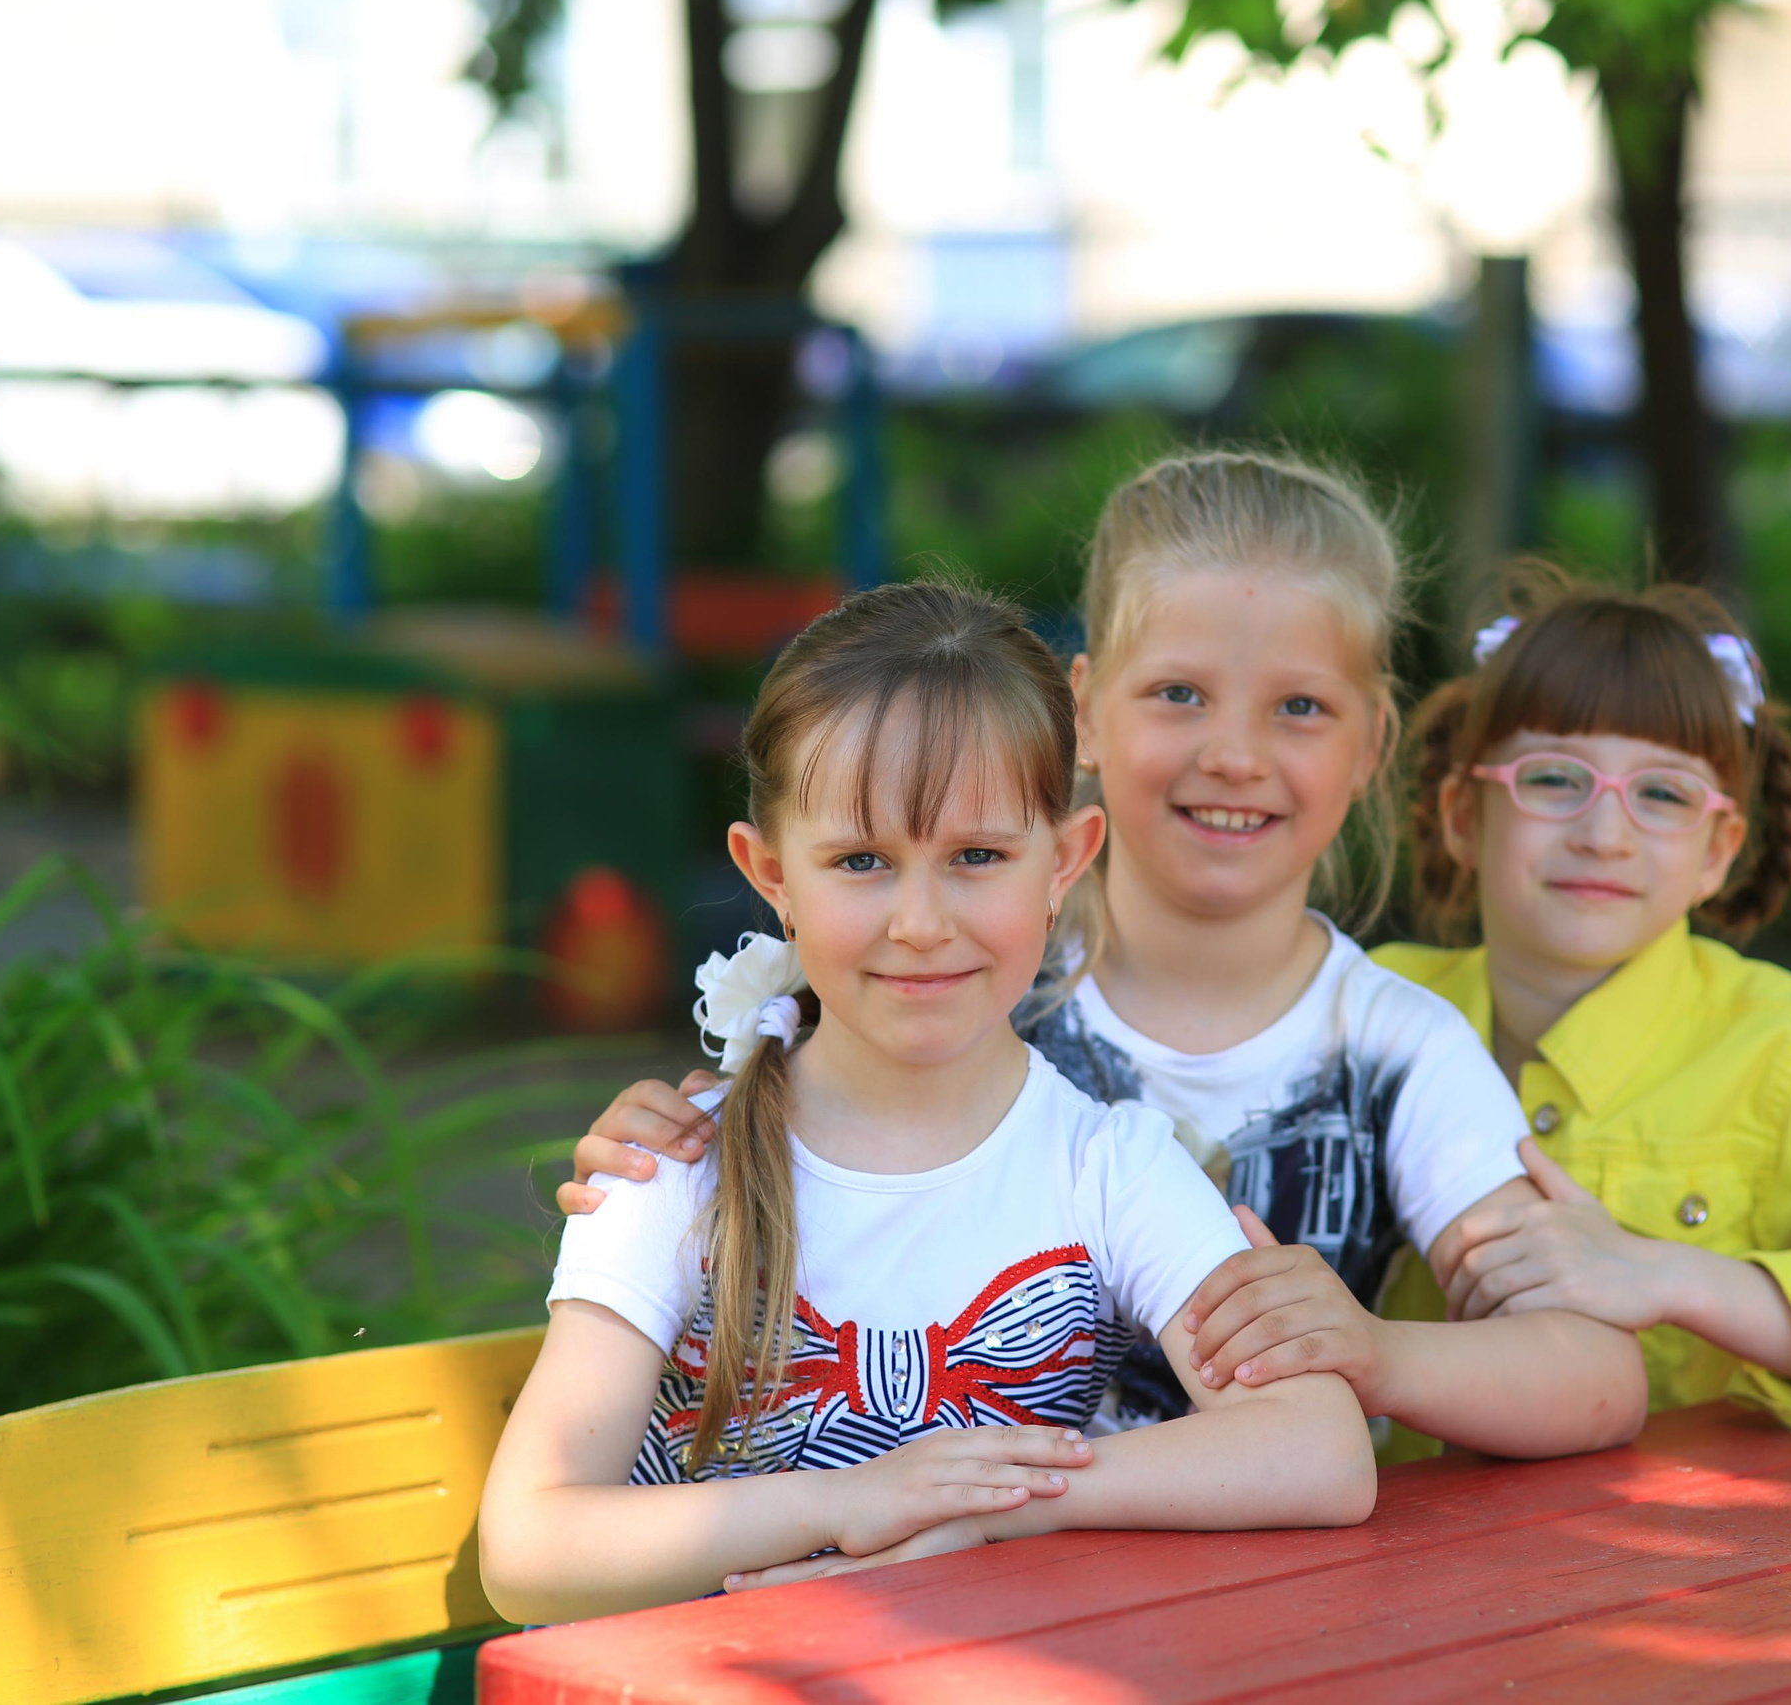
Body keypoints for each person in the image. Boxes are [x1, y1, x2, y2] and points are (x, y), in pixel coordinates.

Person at [556, 452, 1648, 1461]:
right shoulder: (952, 976)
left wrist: (1374, 1353)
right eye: (1179, 694)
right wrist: (656, 1137)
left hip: (1230, 1583)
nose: (1233, 755)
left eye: (1300, 708)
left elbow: (1595, 1376)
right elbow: (750, 1148)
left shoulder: (1396, 1049)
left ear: (1369, 746)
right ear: (1081, 713)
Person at [478, 580, 1376, 1625]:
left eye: (977, 858)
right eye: (861, 862)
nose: (918, 920)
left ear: (1066, 861)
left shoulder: (1107, 1165)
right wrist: (855, 1500)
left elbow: (1320, 1447)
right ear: (770, 874)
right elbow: (530, 1547)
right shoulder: (676, 1169)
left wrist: (995, 1509)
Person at [1372, 575, 1791, 1448]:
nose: (1605, 832)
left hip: (1691, 1566)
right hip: (1388, 1558)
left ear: (1718, 851)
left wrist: (1668, 1275)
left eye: (1663, 794)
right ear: (1460, 814)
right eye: (1554, 778)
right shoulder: (1368, 1006)